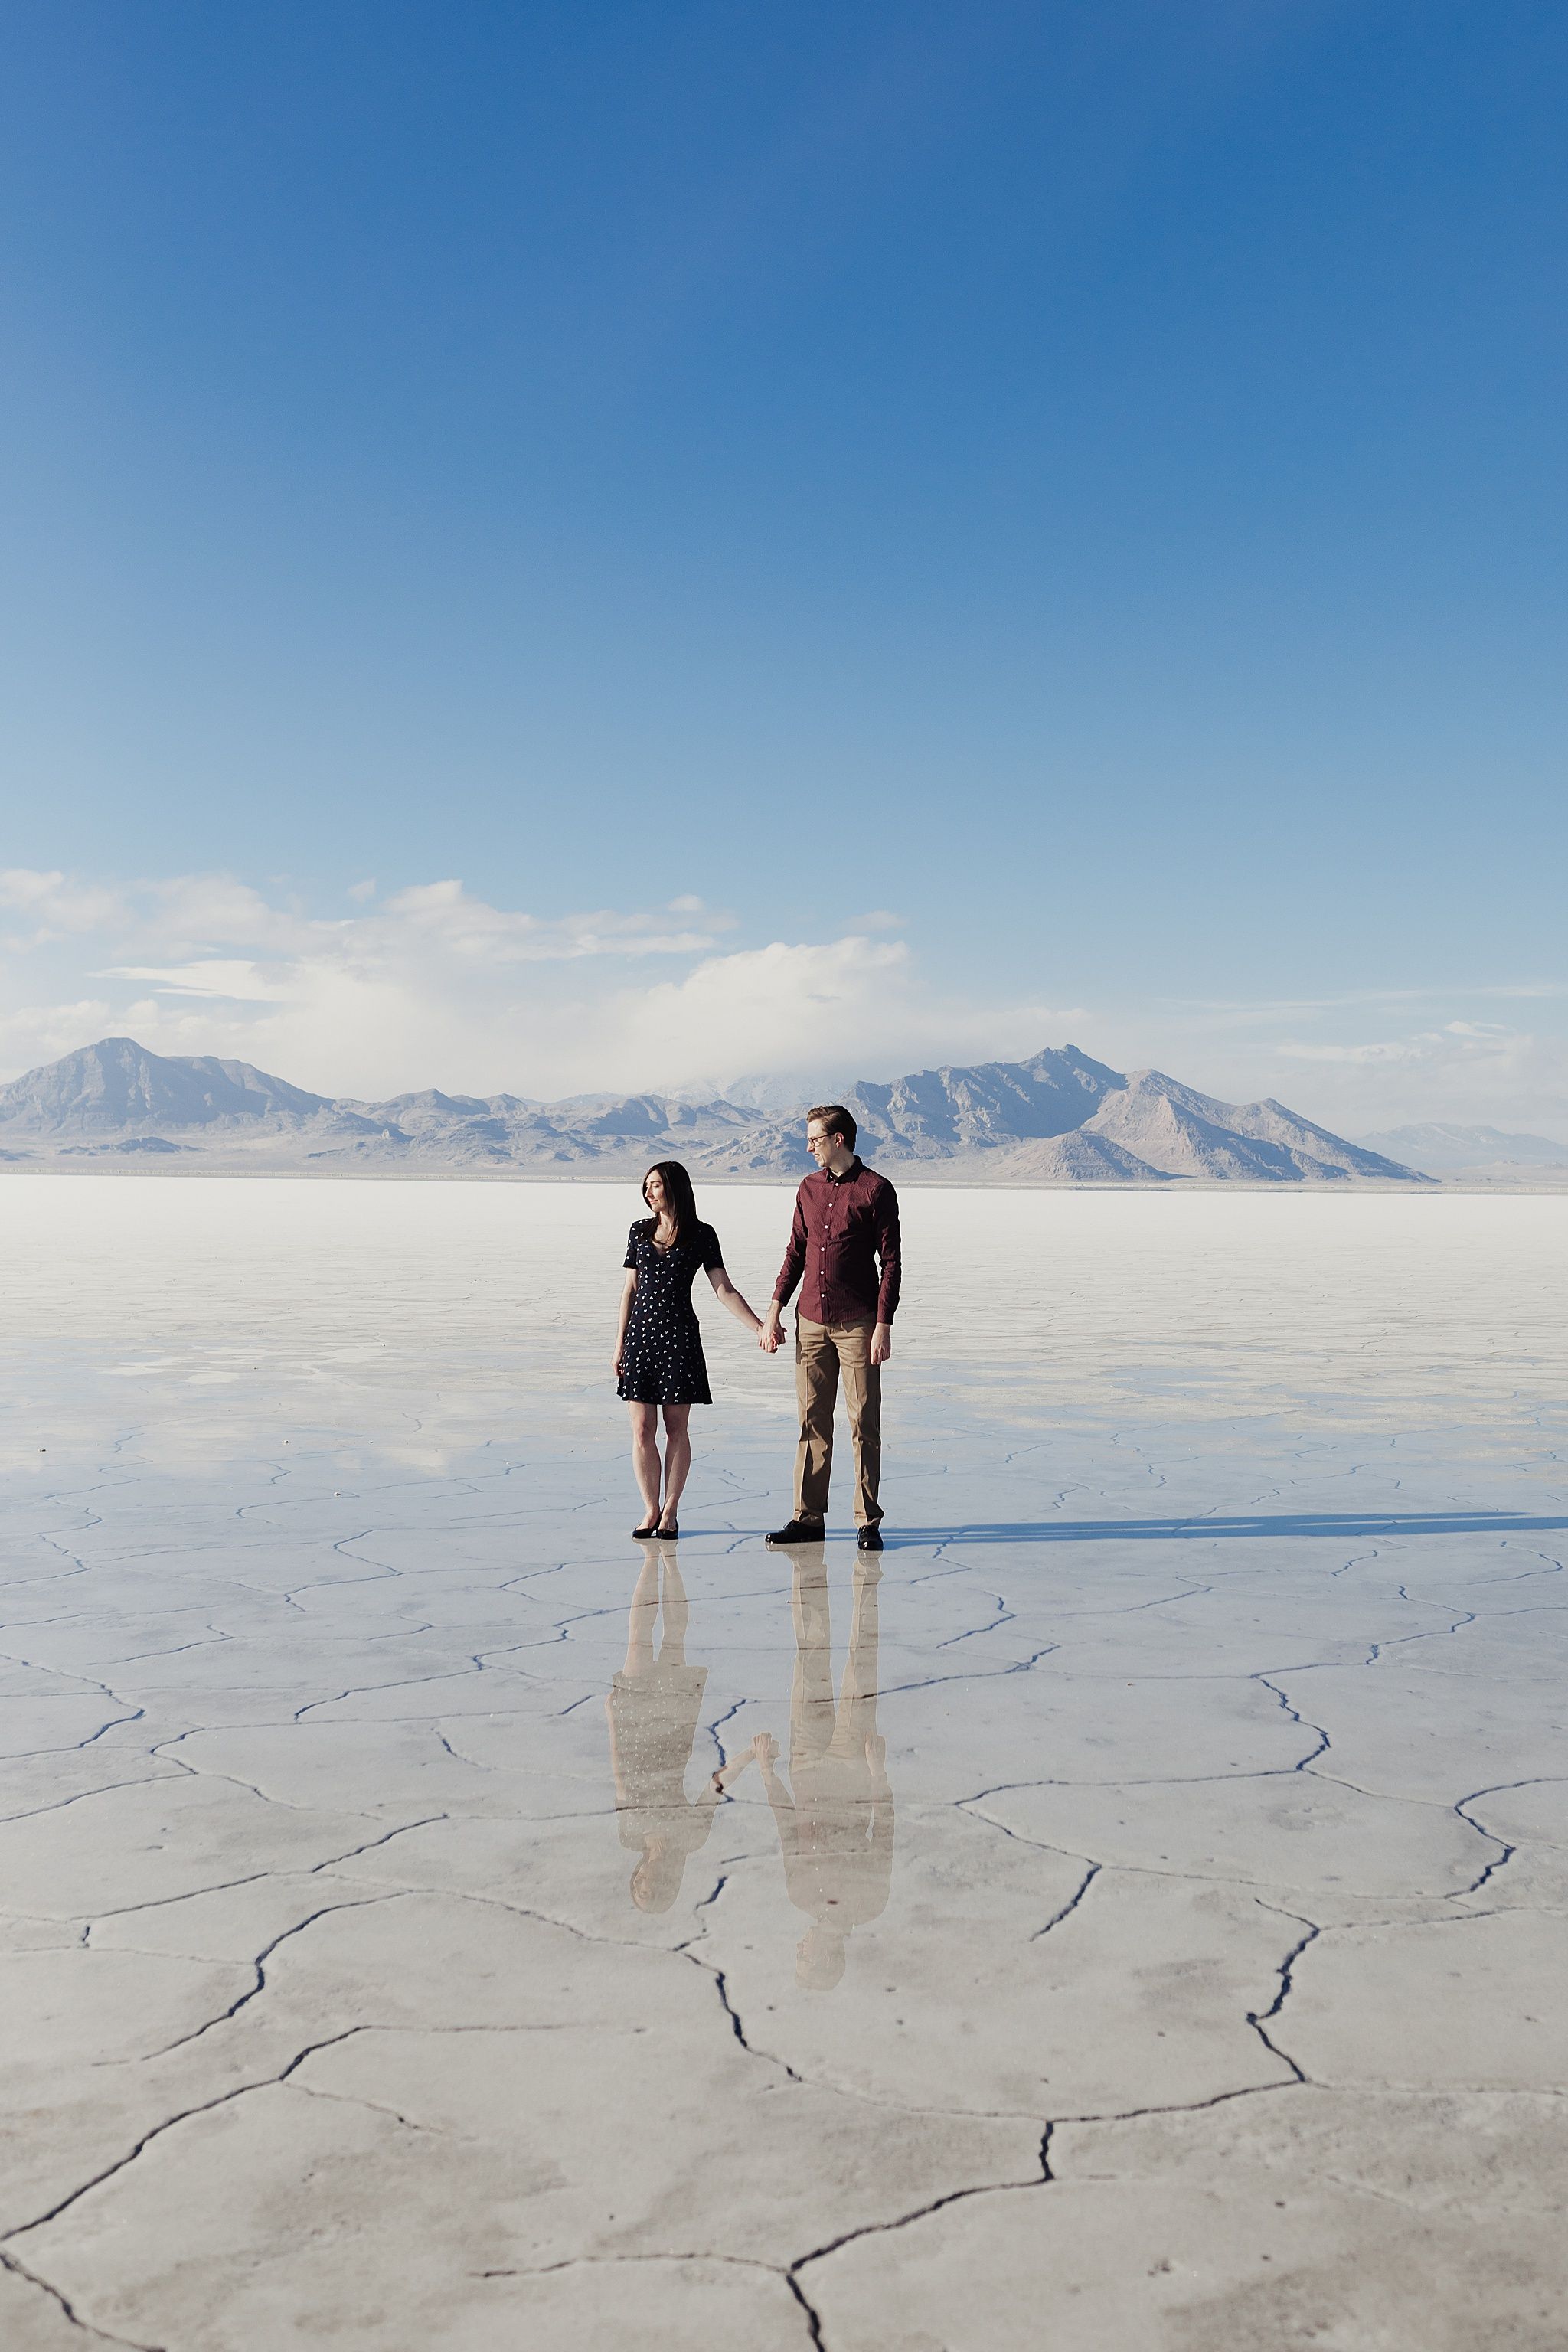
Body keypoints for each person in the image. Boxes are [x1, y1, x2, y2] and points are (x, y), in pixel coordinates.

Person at [748, 1550, 893, 1988]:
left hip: (806, 1763)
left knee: (810, 1660)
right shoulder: (870, 1904)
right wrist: (878, 1774)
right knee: (859, 1663)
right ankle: (867, 1580)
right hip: (853, 1766)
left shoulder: (800, 1897)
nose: (799, 1947)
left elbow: (788, 1831)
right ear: (825, 1958)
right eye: (803, 1958)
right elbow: (884, 1832)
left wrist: (768, 1774)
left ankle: (808, 1572)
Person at [759, 1104, 900, 1550]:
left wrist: (883, 1324)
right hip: (810, 1321)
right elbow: (796, 1251)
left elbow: (891, 1262)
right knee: (811, 1419)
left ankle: (867, 1521)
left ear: (839, 1139)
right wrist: (776, 1306)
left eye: (815, 1140)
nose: (809, 1147)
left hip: (858, 1322)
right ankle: (807, 1518)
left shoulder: (876, 1189)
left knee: (863, 1421)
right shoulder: (808, 1188)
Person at [615, 1159, 766, 1539]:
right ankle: (650, 1510)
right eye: (645, 1186)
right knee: (641, 1427)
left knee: (674, 1427)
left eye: (655, 1185)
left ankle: (670, 1512)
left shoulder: (702, 1234)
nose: (648, 1192)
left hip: (679, 1338)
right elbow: (630, 1290)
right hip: (640, 1339)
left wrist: (760, 1328)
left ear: (674, 1187)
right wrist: (618, 1344)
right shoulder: (638, 1231)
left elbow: (724, 1289)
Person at [606, 1540, 753, 1913]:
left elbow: (619, 1775)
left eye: (637, 1888)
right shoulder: (690, 1839)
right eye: (650, 1891)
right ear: (666, 1885)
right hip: (674, 1734)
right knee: (674, 1638)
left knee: (638, 1638)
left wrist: (611, 1715)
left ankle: (651, 1560)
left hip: (632, 1725)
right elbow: (713, 1787)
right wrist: (751, 1755)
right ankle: (669, 1566)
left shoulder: (629, 1836)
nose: (644, 1883)